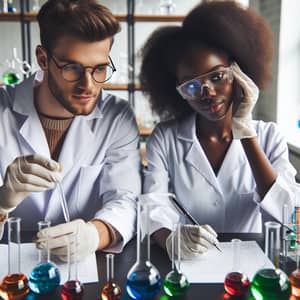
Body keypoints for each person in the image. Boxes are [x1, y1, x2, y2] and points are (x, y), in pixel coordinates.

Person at [139, 1, 299, 259]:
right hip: (187, 263)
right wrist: (170, 239)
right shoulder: (165, 138)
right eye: (192, 86)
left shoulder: (269, 137)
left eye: (217, 77)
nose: (208, 94)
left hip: (251, 269)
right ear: (176, 91)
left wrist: (245, 133)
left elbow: (291, 216)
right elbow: (153, 205)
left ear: (239, 72)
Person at [0, 0, 141, 261]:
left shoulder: (117, 117)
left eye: (99, 68)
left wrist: (93, 235)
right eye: (72, 68)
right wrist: (2, 201)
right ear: (43, 59)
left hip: (82, 268)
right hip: (11, 269)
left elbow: (125, 201)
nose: (88, 86)